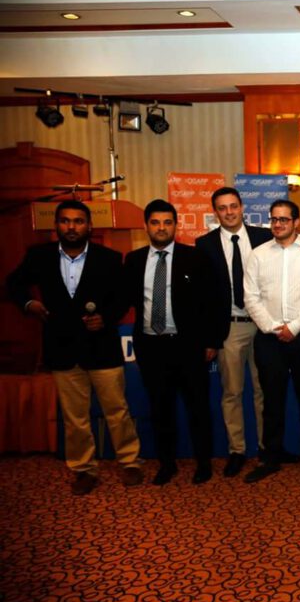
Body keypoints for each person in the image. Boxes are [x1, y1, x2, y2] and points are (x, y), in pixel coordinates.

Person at [7, 200, 143, 495]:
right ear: (57, 225)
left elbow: (124, 297)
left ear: (89, 226)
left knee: (117, 411)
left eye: (78, 221)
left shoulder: (109, 258)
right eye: (65, 221)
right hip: (62, 349)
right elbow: (13, 284)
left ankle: (130, 462)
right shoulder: (39, 256)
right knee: (75, 417)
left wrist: (106, 318)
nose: (72, 227)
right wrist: (29, 304)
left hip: (102, 349)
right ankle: (84, 469)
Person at [123, 199, 217, 486]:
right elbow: (125, 299)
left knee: (197, 407)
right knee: (160, 409)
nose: (161, 228)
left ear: (176, 226)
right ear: (146, 226)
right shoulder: (134, 260)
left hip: (187, 346)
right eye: (155, 222)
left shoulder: (195, 257)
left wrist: (210, 341)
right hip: (151, 346)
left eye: (167, 222)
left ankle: (203, 463)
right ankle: (167, 464)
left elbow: (210, 302)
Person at [242, 199, 300, 483]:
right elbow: (251, 297)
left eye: (284, 220)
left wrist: (294, 327)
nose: (277, 224)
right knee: (272, 401)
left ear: (296, 222)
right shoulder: (258, 255)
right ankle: (270, 457)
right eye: (274, 219)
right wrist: (272, 327)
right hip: (270, 338)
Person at [195, 187, 271, 478]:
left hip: (263, 325)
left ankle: (266, 448)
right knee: (232, 392)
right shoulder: (204, 245)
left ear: (242, 207)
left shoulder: (265, 236)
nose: (229, 212)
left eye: (233, 206)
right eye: (222, 208)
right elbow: (203, 297)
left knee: (263, 390)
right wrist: (208, 337)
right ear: (216, 212)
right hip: (230, 327)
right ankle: (237, 450)